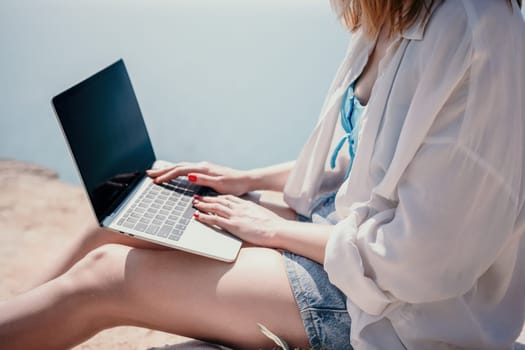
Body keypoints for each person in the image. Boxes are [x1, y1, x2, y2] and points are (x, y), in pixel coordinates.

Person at [1, 0, 525, 349]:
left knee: (107, 278)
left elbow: (419, 265)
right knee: (130, 209)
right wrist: (244, 178)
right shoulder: (395, 15)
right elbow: (365, 163)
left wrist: (269, 230)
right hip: (337, 242)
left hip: (387, 313)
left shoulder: (476, 32)